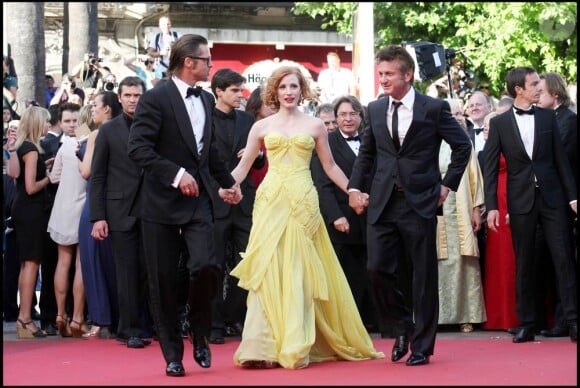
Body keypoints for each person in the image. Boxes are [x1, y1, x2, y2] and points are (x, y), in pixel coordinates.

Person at [228, 65, 384, 370]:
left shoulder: (315, 126)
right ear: (274, 90)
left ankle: (295, 342)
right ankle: (262, 346)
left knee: (298, 269)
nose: (289, 92)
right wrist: (227, 186)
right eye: (283, 86)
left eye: (294, 87)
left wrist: (352, 191)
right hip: (271, 201)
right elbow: (244, 166)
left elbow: (331, 167)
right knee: (268, 268)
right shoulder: (260, 127)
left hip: (303, 201)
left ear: (302, 91)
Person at [348, 45, 472, 366]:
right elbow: (368, 155)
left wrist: (447, 186)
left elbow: (462, 147)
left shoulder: (433, 108)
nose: (384, 79)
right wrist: (354, 187)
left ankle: (422, 346)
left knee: (423, 276)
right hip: (383, 201)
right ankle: (402, 326)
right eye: (381, 74)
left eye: (389, 74)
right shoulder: (374, 109)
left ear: (407, 74)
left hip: (419, 202)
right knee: (376, 269)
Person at [127, 34, 242, 377]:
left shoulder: (206, 100)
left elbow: (210, 154)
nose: (211, 65)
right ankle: (173, 354)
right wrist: (176, 175)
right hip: (159, 202)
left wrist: (228, 185)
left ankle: (201, 331)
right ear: (189, 62)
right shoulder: (155, 98)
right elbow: (139, 149)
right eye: (207, 59)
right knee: (162, 280)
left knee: (207, 266)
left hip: (198, 202)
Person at [483, 66, 577, 343]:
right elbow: (489, 169)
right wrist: (492, 206)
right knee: (524, 262)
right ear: (518, 90)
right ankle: (527, 323)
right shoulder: (499, 124)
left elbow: (561, 162)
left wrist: (572, 197)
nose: (539, 87)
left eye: (539, 83)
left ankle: (573, 321)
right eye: (534, 84)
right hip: (521, 201)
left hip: (554, 199)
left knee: (564, 260)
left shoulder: (548, 118)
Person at [90, 78, 155, 346]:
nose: (132, 100)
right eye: (127, 95)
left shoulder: (155, 127)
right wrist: (98, 216)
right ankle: (128, 329)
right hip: (119, 212)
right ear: (119, 98)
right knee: (126, 271)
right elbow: (98, 176)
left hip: (152, 210)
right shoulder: (108, 131)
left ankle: (145, 324)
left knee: (148, 270)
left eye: (137, 95)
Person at [207, 69, 266, 345]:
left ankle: (234, 316)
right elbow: (200, 161)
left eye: (241, 90)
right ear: (218, 90)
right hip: (215, 202)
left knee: (248, 262)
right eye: (234, 90)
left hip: (245, 202)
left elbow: (256, 161)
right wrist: (218, 189)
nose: (240, 95)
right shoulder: (204, 118)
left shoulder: (247, 120)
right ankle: (215, 324)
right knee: (214, 265)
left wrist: (258, 155)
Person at [311, 95, 378, 333]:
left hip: (374, 217)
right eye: (342, 115)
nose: (348, 119)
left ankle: (378, 320)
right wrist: (335, 216)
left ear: (361, 116)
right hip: (343, 218)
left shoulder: (374, 140)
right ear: (336, 118)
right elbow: (323, 184)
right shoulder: (326, 142)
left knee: (376, 269)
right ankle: (349, 326)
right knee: (348, 273)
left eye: (353, 114)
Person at [532, 72, 577, 338]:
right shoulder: (549, 119)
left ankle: (565, 319)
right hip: (544, 201)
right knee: (543, 260)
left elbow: (559, 160)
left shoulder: (569, 121)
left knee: (562, 260)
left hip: (562, 201)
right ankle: (541, 318)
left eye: (542, 91)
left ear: (555, 95)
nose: (538, 94)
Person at [436, 98, 486, 333]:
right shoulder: (430, 142)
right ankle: (437, 316)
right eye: (450, 113)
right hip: (437, 210)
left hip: (463, 210)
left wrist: (477, 209)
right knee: (437, 261)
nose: (455, 117)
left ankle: (468, 315)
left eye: (458, 113)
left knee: (465, 260)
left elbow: (475, 178)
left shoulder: (465, 142)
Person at [77, 91, 121, 340]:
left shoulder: (96, 134)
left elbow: (86, 171)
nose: (91, 109)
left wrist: (76, 153)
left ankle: (99, 320)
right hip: (113, 204)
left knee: (93, 263)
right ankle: (111, 318)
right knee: (111, 263)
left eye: (95, 106)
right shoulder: (121, 130)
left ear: (107, 109)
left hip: (94, 204)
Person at [46, 102, 87, 338]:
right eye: (68, 121)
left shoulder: (63, 148)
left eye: (74, 120)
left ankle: (60, 314)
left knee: (63, 262)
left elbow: (54, 179)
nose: (72, 124)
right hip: (81, 209)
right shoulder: (87, 142)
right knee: (80, 265)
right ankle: (77, 318)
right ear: (60, 123)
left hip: (62, 208)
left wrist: (51, 169)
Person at [10, 106, 52, 338]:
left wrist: (41, 169)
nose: (48, 125)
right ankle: (25, 318)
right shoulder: (32, 150)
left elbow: (14, 175)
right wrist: (48, 177)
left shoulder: (22, 147)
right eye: (45, 122)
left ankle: (23, 317)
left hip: (22, 209)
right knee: (32, 263)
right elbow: (31, 187)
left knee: (27, 263)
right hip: (31, 210)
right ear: (37, 123)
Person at [245, 86, 275, 189]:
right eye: (268, 102)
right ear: (257, 104)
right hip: (249, 187)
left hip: (274, 187)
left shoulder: (279, 130)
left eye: (275, 102)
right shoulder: (244, 129)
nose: (273, 106)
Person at [147, 16, 180, 80]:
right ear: (159, 26)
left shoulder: (177, 35)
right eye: (164, 24)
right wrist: (160, 53)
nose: (166, 26)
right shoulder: (156, 37)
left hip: (176, 69)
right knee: (160, 87)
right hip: (162, 69)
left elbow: (185, 50)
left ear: (171, 24)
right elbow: (150, 53)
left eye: (168, 24)